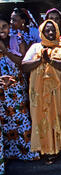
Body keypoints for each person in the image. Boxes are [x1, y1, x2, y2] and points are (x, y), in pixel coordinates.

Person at [22, 19, 61, 165]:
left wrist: (51, 61)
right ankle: (48, 150)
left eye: (53, 29)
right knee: (44, 118)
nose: (51, 32)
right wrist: (41, 60)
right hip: (40, 91)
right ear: (42, 32)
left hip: (60, 91)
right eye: (47, 30)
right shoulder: (35, 47)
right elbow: (24, 66)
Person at [0, 14, 39, 161]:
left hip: (16, 86)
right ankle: (10, 153)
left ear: (9, 27)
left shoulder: (17, 39)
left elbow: (22, 62)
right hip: (1, 88)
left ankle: (27, 152)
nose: (1, 30)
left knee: (20, 118)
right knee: (5, 119)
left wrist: (5, 50)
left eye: (4, 26)